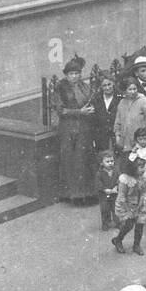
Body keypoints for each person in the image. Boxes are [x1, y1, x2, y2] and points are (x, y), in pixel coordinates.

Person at [54, 56, 96, 203]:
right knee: (72, 161)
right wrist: (79, 112)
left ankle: (87, 194)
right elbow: (61, 110)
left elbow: (91, 99)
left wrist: (91, 109)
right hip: (69, 129)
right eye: (71, 74)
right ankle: (73, 195)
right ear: (66, 75)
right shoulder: (60, 88)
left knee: (84, 160)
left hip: (84, 128)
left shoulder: (84, 86)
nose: (74, 76)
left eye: (77, 73)